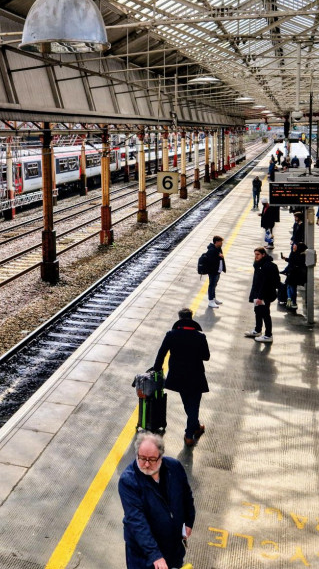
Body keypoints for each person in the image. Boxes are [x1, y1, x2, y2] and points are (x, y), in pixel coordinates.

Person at [119, 432, 195, 569]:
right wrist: (155, 555)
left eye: (152, 459)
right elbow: (137, 521)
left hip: (173, 548)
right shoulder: (129, 481)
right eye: (142, 458)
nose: (146, 464)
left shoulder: (175, 468)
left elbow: (186, 496)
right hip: (144, 556)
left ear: (161, 456)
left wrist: (189, 521)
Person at [154, 308, 210, 446]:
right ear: (191, 318)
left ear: (179, 318)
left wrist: (156, 369)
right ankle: (189, 434)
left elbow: (161, 353)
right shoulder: (200, 336)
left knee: (188, 403)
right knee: (194, 404)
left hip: (178, 376)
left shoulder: (171, 334)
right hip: (196, 375)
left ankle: (195, 427)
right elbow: (206, 357)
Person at [245, 246, 280, 343]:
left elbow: (265, 284)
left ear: (263, 254)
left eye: (258, 254)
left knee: (265, 314)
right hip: (258, 294)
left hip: (265, 295)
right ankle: (258, 330)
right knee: (257, 311)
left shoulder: (267, 266)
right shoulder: (259, 264)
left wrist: (260, 297)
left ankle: (268, 335)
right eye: (255, 254)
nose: (256, 256)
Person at [280, 242, 308, 311]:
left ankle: (292, 302)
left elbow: (292, 261)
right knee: (291, 287)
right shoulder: (302, 255)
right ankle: (292, 302)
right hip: (295, 274)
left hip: (293, 274)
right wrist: (285, 258)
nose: (294, 246)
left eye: (295, 245)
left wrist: (288, 257)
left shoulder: (295, 254)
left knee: (290, 287)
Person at [199, 236, 225, 308]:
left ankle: (213, 299)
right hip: (213, 271)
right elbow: (210, 261)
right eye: (220, 241)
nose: (222, 243)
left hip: (217, 271)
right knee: (211, 285)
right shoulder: (211, 250)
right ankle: (210, 301)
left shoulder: (218, 248)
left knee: (214, 285)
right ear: (216, 242)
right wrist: (219, 256)